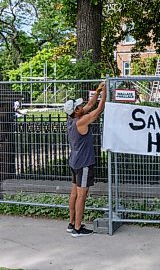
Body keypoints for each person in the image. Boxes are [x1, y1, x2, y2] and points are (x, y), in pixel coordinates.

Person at [63, 82, 106, 237]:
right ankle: (78, 228)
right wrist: (105, 94)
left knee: (74, 193)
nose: (82, 106)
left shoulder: (71, 120)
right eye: (78, 106)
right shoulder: (81, 121)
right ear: (76, 111)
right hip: (83, 164)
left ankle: (72, 223)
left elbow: (90, 104)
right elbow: (98, 110)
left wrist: (98, 91)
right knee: (82, 195)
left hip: (74, 162)